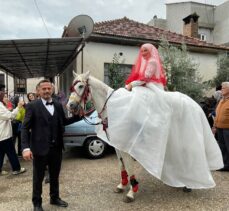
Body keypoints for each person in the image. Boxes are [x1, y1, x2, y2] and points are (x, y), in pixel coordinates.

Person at [97, 43, 223, 191]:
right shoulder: (145, 61)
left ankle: (150, 124)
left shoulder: (152, 62)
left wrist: (131, 85)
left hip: (152, 87)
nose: (143, 52)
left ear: (151, 51)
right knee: (134, 97)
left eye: (146, 50)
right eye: (141, 50)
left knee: (137, 98)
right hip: (145, 86)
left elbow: (146, 78)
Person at [21, 79, 82, 211]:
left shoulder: (58, 105)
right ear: (38, 91)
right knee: (38, 178)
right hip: (39, 149)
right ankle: (37, 203)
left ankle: (54, 197)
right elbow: (25, 128)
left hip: (56, 148)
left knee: (55, 175)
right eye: (44, 89)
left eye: (49, 88)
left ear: (52, 90)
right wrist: (25, 148)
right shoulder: (32, 106)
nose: (47, 91)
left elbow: (64, 122)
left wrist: (78, 116)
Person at [0, 91, 26, 175]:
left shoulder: (1, 105)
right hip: (4, 134)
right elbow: (10, 116)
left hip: (2, 134)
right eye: (4, 97)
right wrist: (18, 107)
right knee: (11, 152)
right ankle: (17, 169)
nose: (6, 98)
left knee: (1, 153)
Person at [213, 82, 229, 171]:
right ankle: (225, 165)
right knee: (222, 147)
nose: (221, 90)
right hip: (220, 128)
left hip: (227, 128)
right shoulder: (222, 100)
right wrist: (214, 126)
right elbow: (217, 114)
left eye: (223, 88)